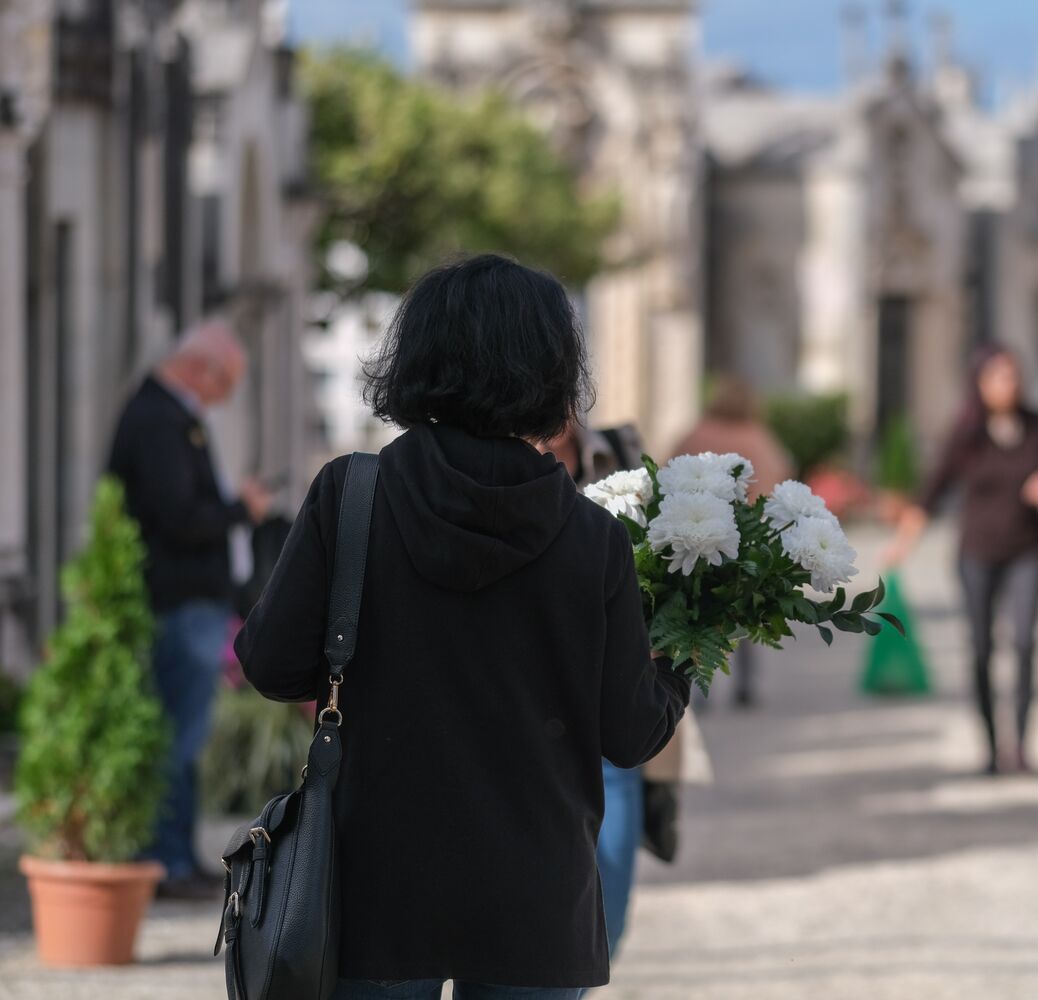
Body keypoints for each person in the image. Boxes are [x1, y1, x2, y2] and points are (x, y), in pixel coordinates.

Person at [235, 254, 690, 1000]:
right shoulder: (592, 537)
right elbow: (630, 735)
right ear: (552, 371)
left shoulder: (352, 496)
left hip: (375, 885)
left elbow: (270, 664)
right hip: (537, 895)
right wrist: (680, 657)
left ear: (417, 357)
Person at [107, 320, 271, 899]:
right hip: (178, 600)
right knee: (178, 735)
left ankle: (175, 855)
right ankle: (166, 859)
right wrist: (241, 510)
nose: (223, 397)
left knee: (185, 733)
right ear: (203, 369)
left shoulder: (168, 416)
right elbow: (177, 516)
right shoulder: (159, 419)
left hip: (188, 600)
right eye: (225, 384)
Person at [886, 346, 1038, 775]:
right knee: (982, 649)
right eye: (999, 377)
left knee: (1024, 642)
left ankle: (1020, 746)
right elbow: (932, 491)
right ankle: (990, 747)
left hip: (1028, 550)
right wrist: (901, 545)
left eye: (1014, 376)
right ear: (981, 384)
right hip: (977, 554)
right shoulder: (967, 434)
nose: (1009, 385)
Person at [536, 418, 647, 961]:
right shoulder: (502, 457)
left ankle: (597, 955)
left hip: (610, 680)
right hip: (537, 690)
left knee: (611, 888)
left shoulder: (621, 450)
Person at [672, 375, 793, 708]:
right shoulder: (759, 437)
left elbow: (667, 472)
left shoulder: (696, 433)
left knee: (697, 612)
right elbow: (778, 480)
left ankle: (698, 686)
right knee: (744, 611)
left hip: (696, 536)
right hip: (745, 537)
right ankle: (746, 684)